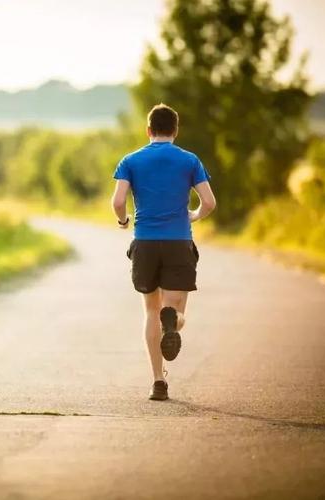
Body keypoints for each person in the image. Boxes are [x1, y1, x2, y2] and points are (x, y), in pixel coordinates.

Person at [111, 103, 216, 401]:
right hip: (177, 242)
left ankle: (158, 382)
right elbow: (209, 203)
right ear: (176, 130)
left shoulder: (131, 160)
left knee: (150, 311)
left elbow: (118, 201)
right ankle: (174, 322)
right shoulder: (189, 160)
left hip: (144, 242)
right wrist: (194, 215)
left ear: (148, 131)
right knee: (175, 311)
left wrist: (123, 220)